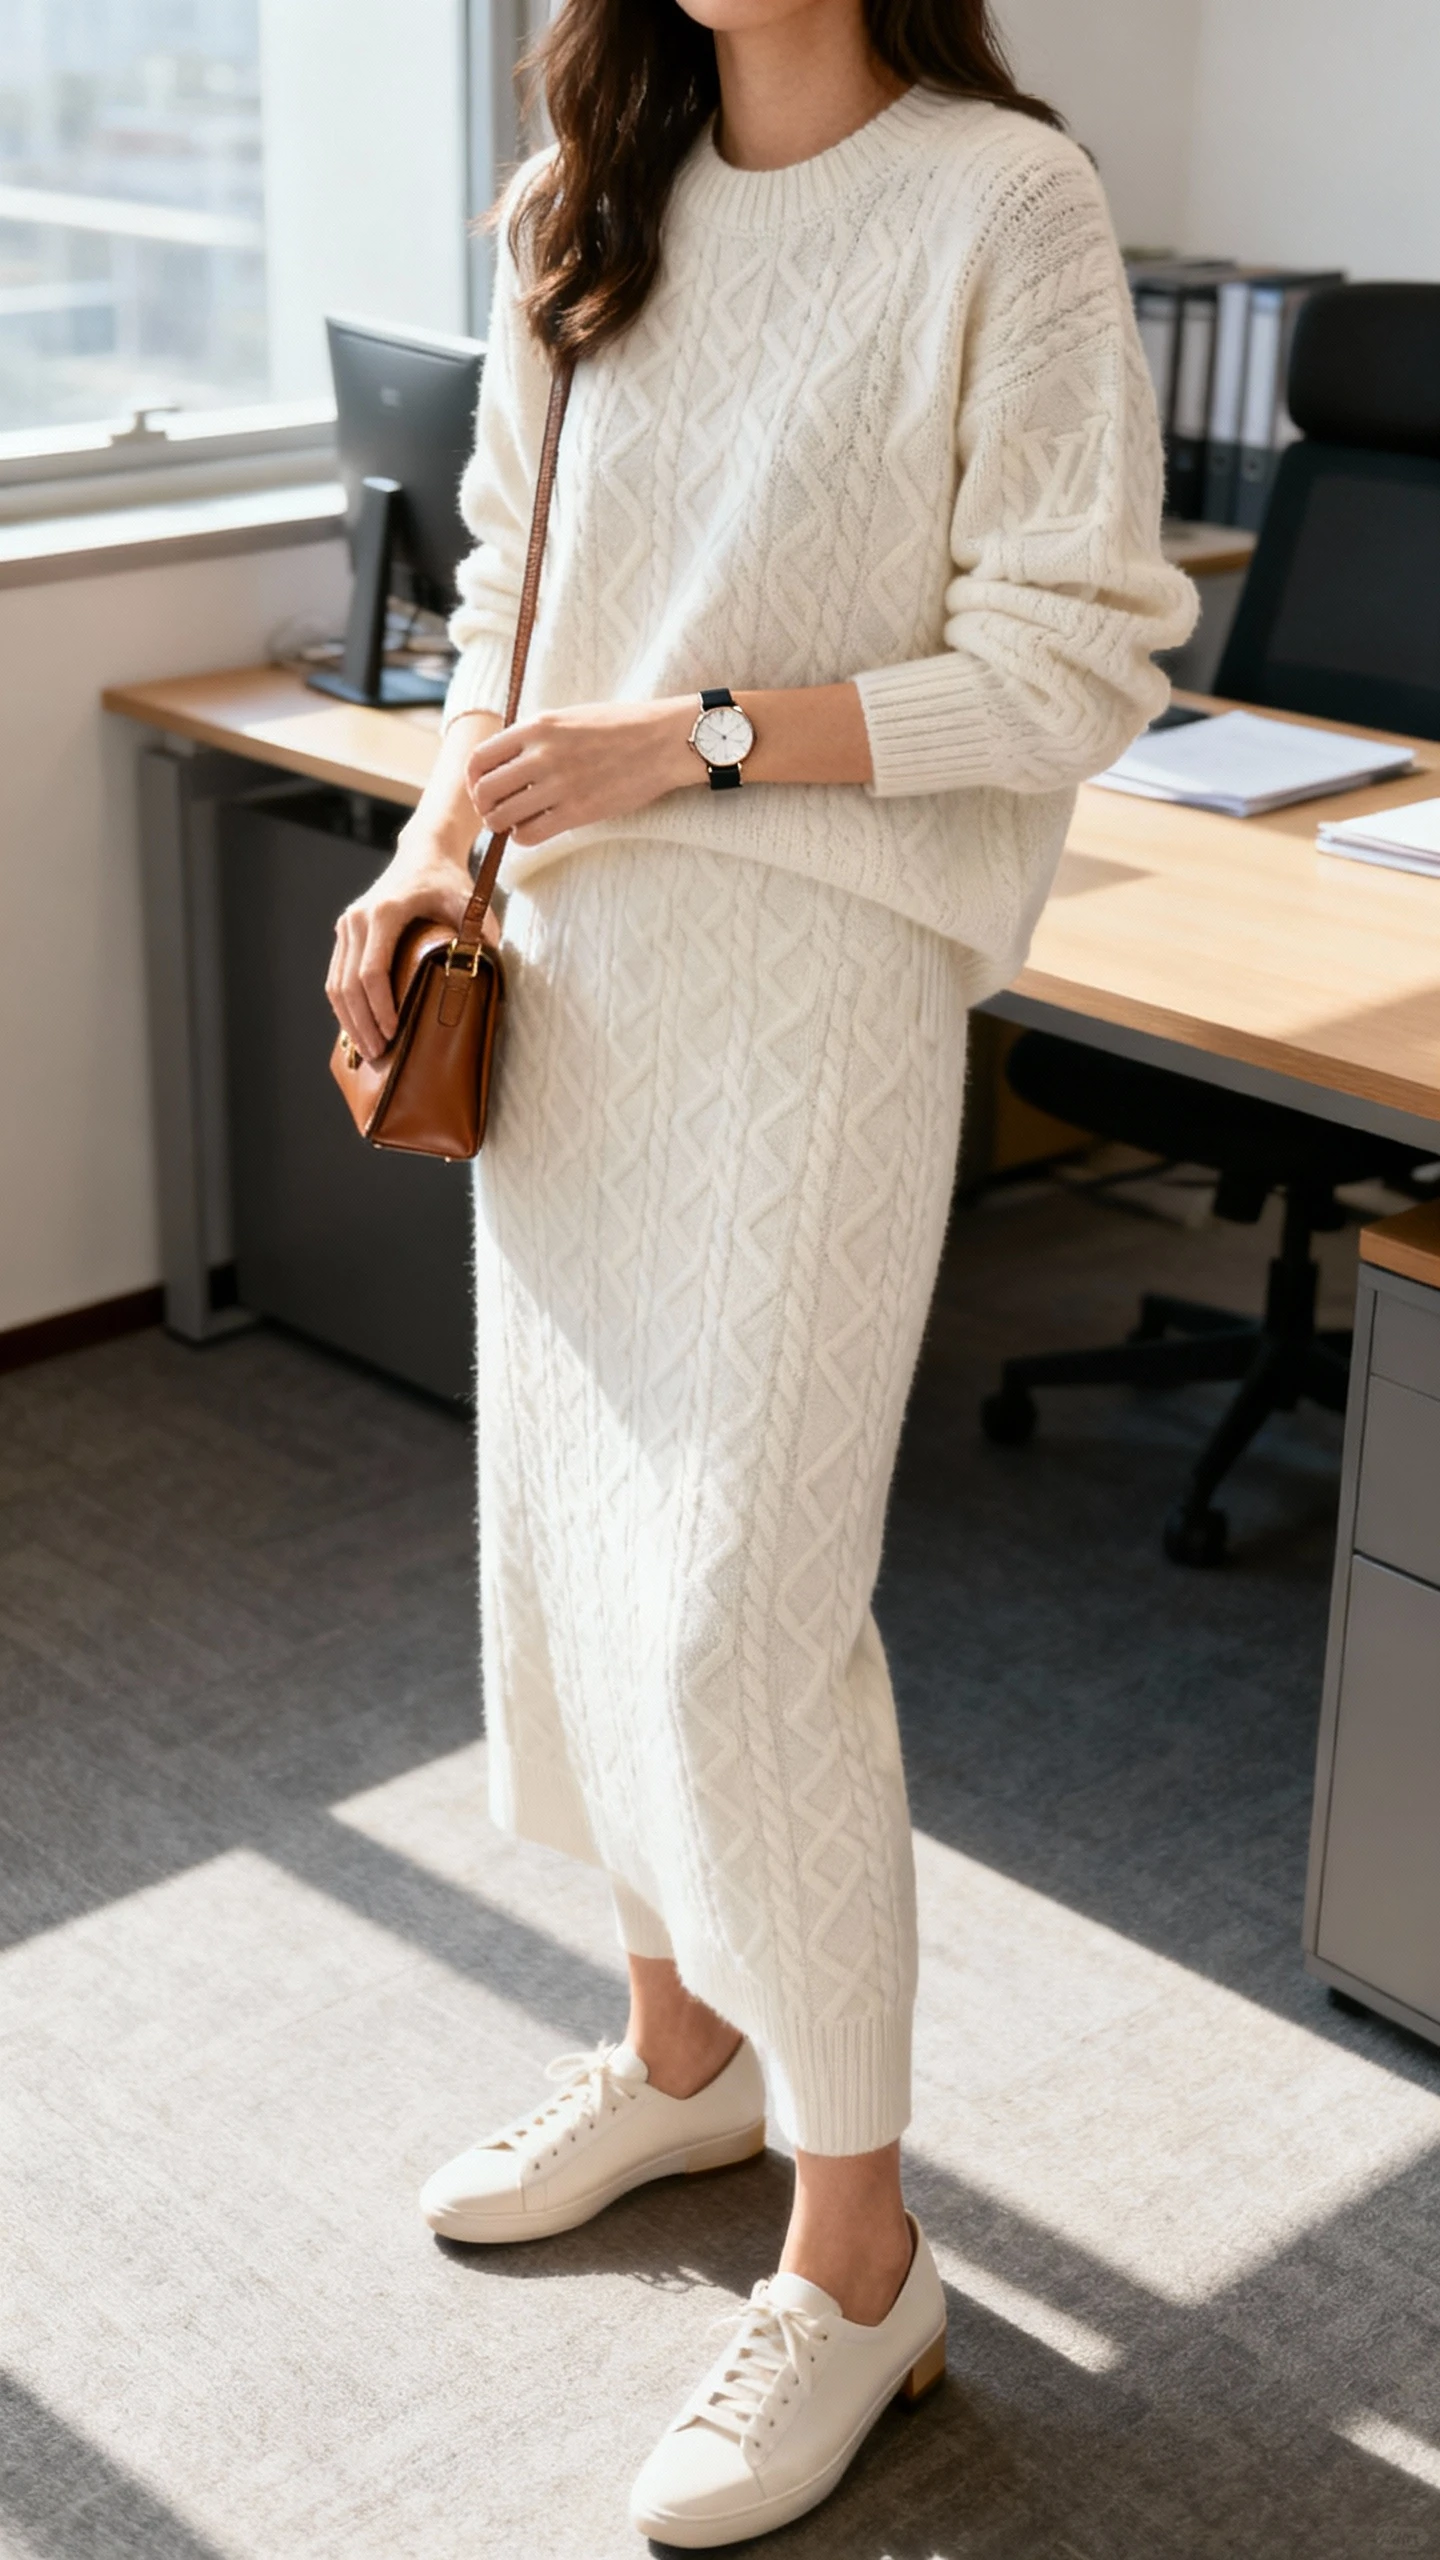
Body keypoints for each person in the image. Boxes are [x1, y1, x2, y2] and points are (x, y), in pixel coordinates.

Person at [326, 0, 1196, 2541]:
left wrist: (688, 736)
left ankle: (862, 2248)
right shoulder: (584, 193)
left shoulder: (998, 206)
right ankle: (681, 2052)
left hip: (807, 982)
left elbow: (1072, 653)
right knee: (585, 1567)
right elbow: (505, 589)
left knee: (737, 1618)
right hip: (567, 981)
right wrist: (430, 847)